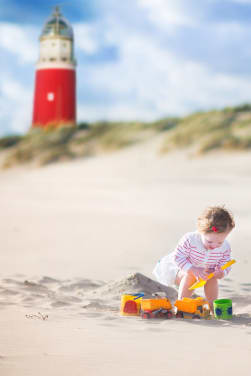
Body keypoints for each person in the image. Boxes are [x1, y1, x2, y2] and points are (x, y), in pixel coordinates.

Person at [153, 206, 235, 311]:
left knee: (213, 278)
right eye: (209, 241)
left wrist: (221, 272)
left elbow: (226, 263)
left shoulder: (225, 247)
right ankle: (181, 307)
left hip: (205, 273)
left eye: (220, 242)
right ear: (201, 231)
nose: (214, 246)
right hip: (180, 270)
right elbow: (178, 258)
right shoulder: (190, 240)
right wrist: (193, 269)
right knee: (190, 276)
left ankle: (213, 308)